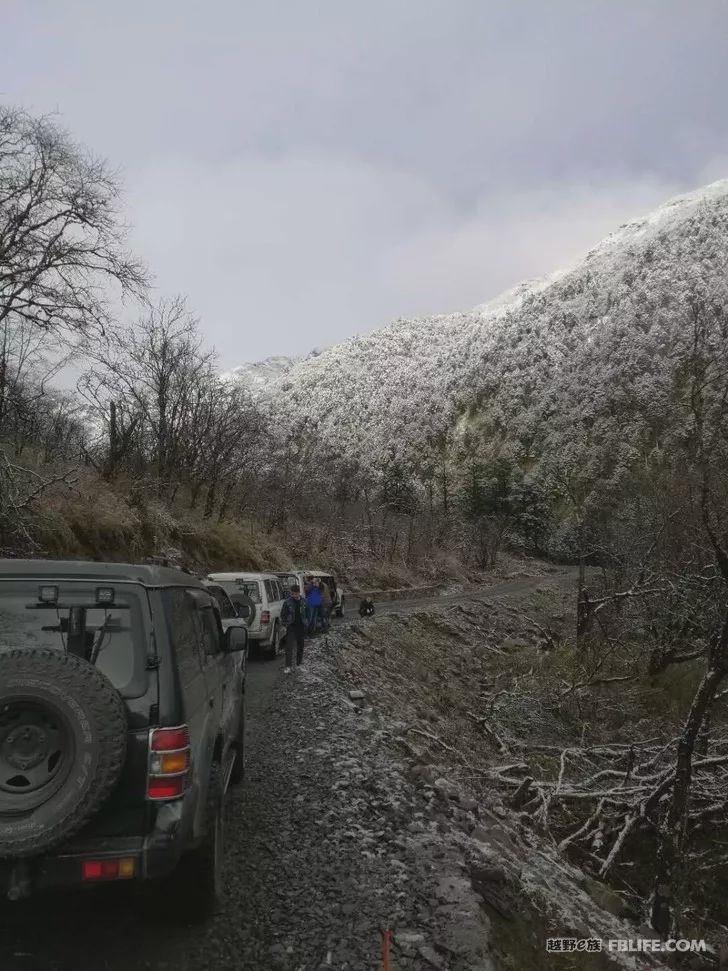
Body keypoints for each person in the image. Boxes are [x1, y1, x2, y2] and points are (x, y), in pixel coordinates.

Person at [280, 584, 309, 673]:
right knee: (289, 647)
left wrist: (306, 622)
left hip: (301, 626)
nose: (294, 595)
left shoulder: (304, 601)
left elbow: (308, 613)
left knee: (300, 647)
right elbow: (283, 614)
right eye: (293, 594)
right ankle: (288, 666)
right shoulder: (287, 602)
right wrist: (285, 624)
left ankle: (299, 664)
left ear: (299, 593)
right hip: (291, 627)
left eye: (296, 594)